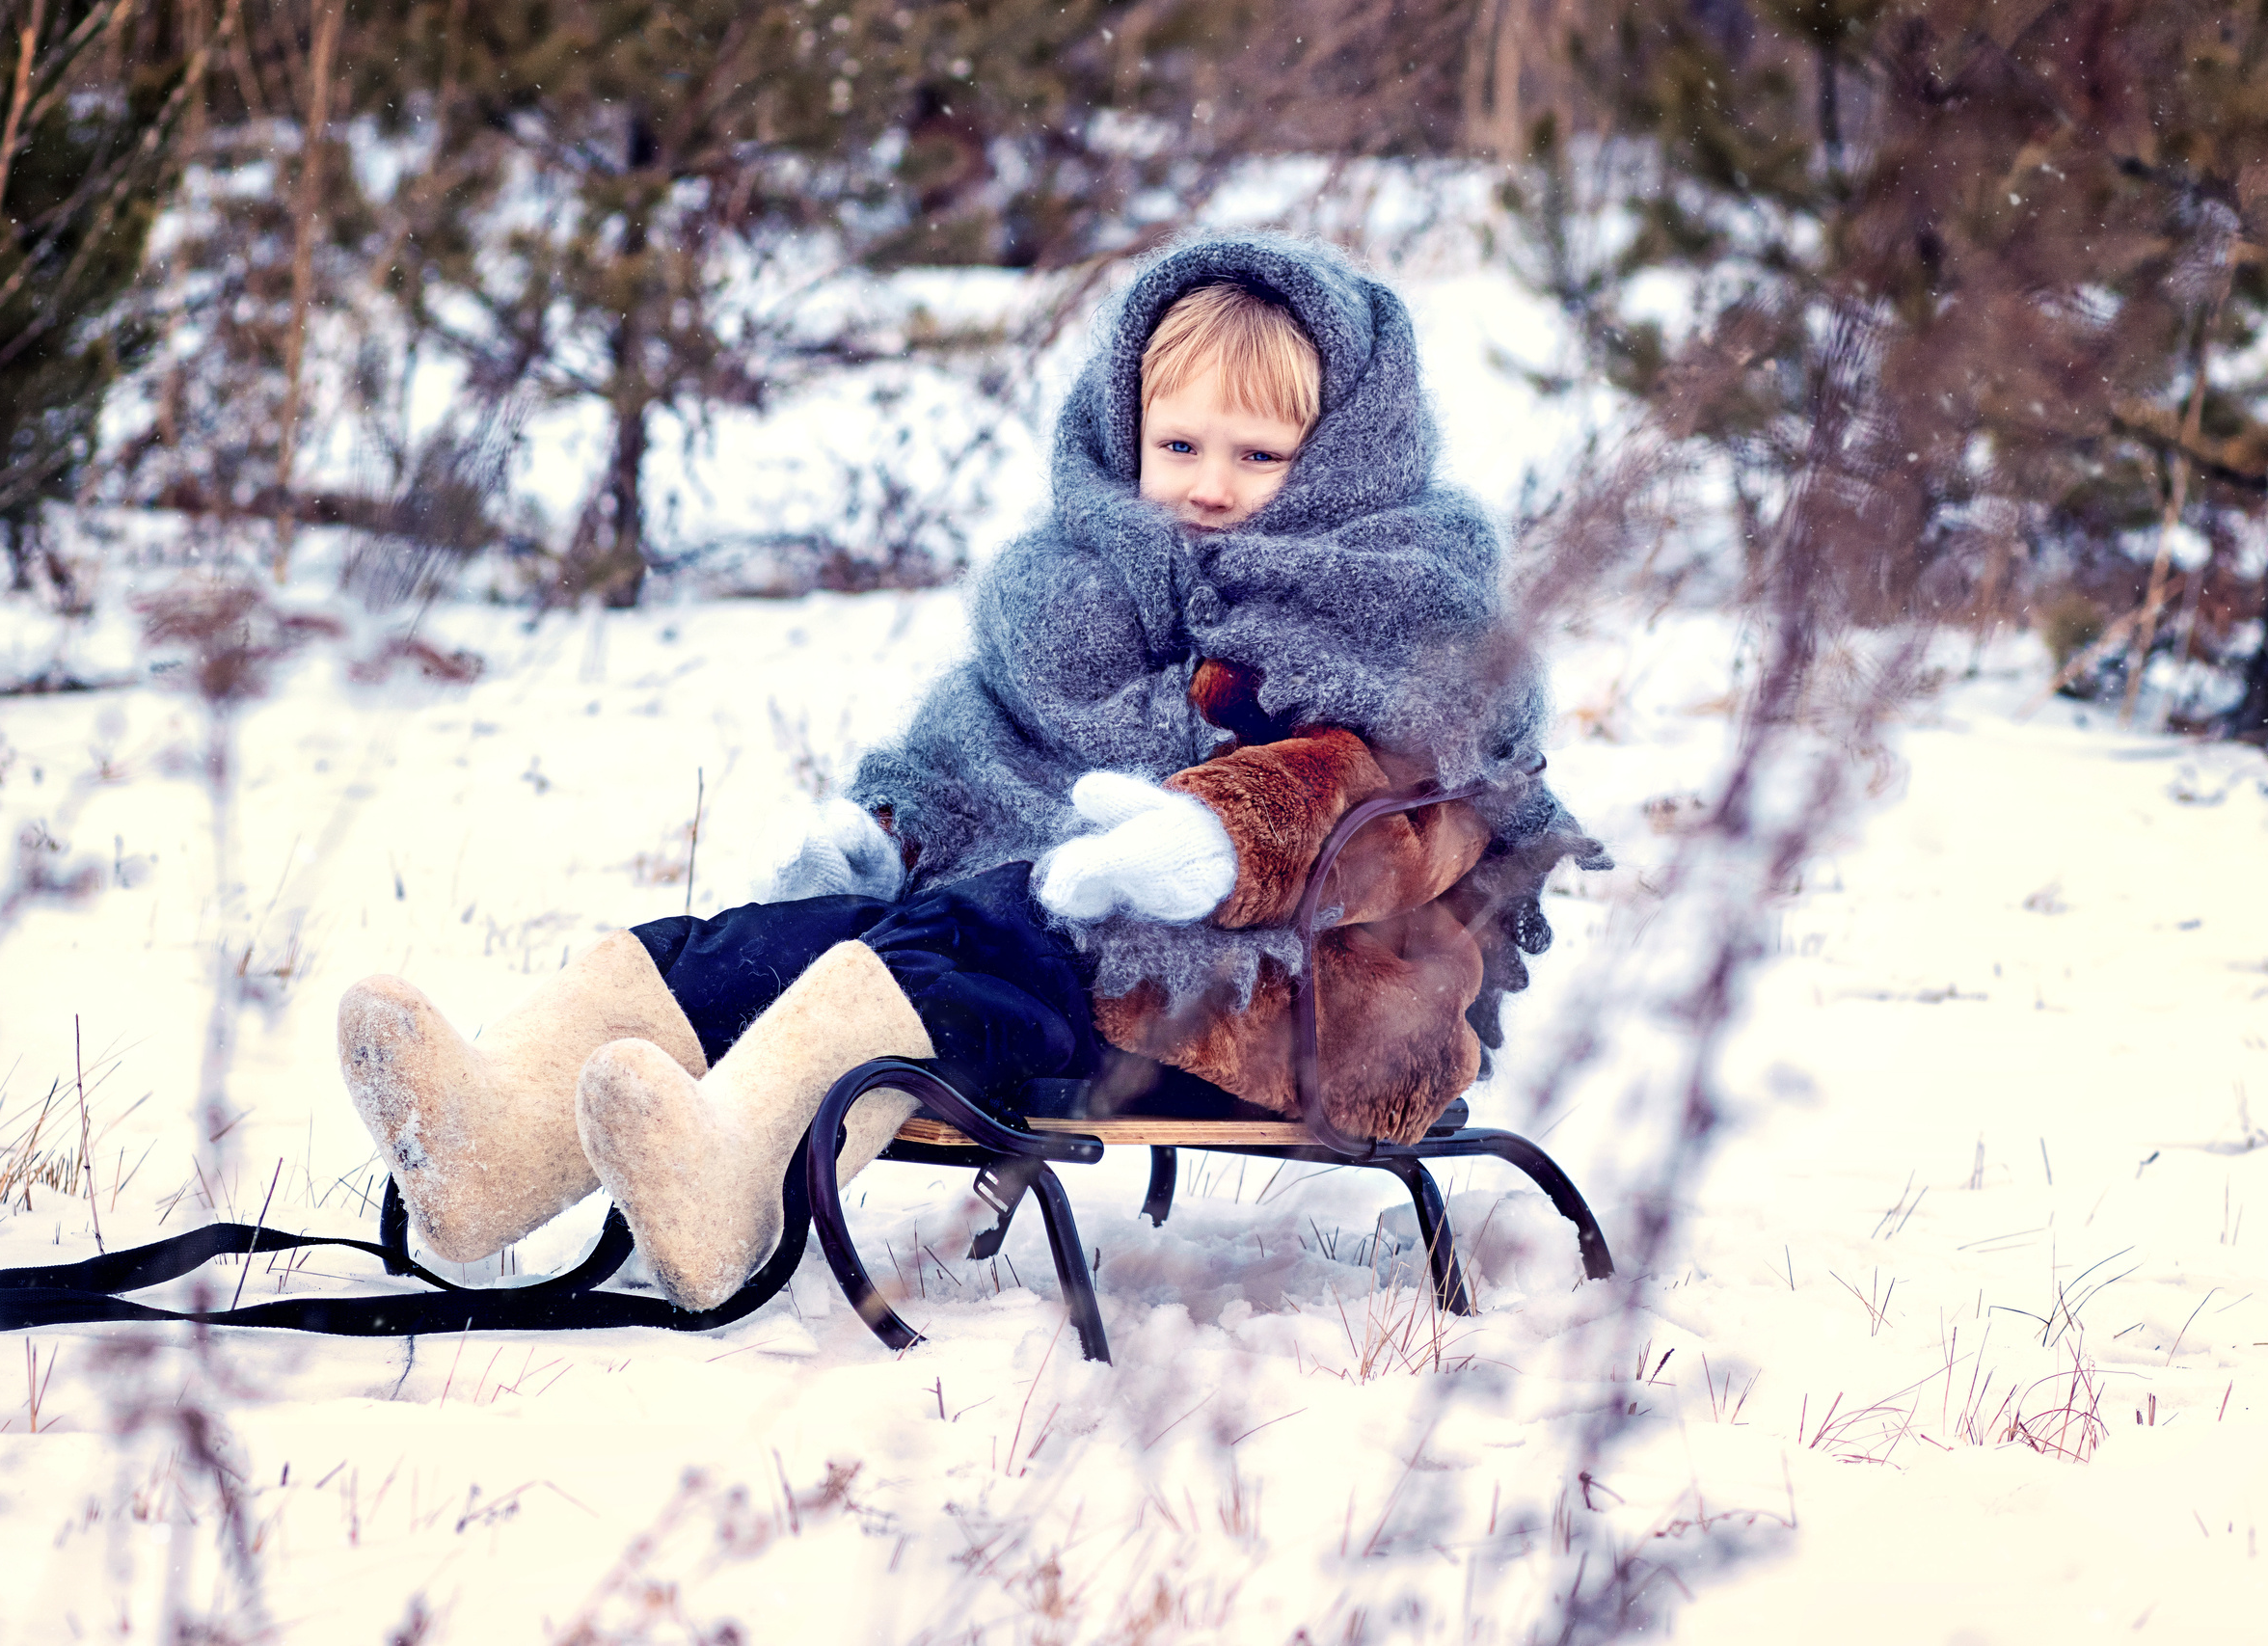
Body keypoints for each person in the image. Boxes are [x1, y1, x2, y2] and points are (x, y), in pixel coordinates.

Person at [337, 234, 1605, 1314]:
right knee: (798, 935)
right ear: (1125, 437)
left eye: (1259, 457)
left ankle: (733, 1190)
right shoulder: (1083, 591)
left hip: (1269, 1005)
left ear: (1342, 456)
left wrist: (1221, 839)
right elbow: (979, 739)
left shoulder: (1413, 618)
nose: (1211, 487)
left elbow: (1414, 815)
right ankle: (493, 1149)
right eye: (1180, 446)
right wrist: (891, 823)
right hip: (1032, 955)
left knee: (981, 923)